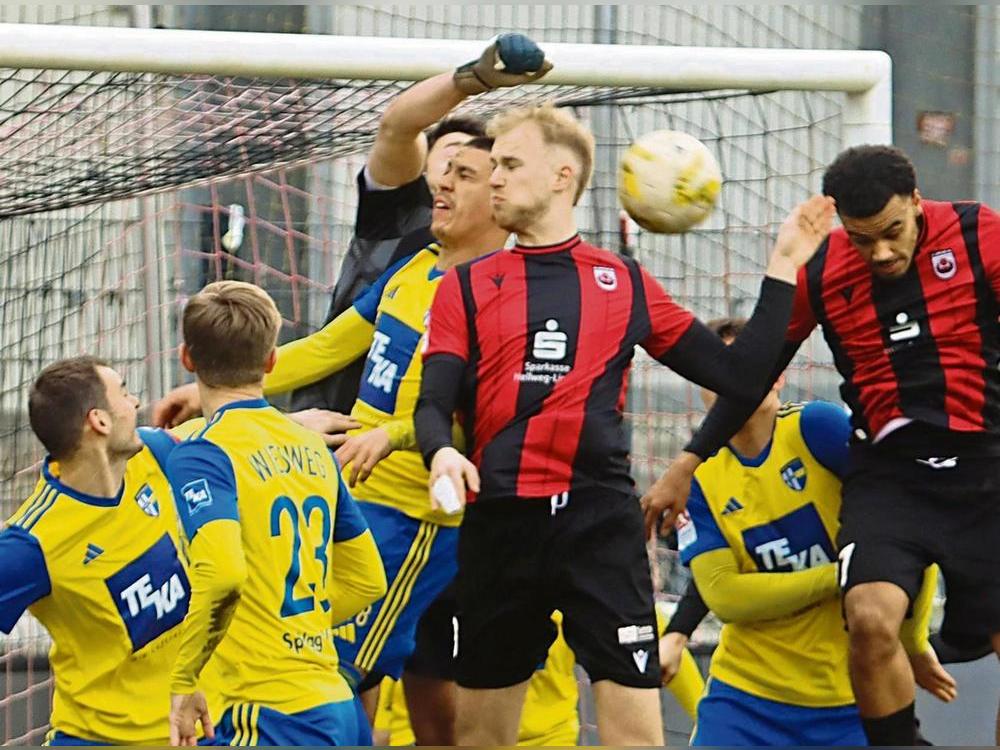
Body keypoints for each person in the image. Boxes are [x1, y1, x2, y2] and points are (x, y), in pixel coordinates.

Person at [414, 102, 835, 745]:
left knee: (637, 737)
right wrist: (441, 452)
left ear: (562, 176)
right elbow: (431, 404)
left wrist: (783, 267)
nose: (492, 178)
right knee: (481, 741)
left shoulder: (622, 281)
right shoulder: (464, 286)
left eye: (509, 164)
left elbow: (740, 377)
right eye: (492, 166)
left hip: (600, 525)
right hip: (501, 524)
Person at [644, 144, 1000, 746]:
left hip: (987, 466)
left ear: (916, 201)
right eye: (864, 239)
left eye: (893, 232)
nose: (881, 252)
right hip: (892, 476)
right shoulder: (824, 268)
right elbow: (750, 370)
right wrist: (689, 459)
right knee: (868, 616)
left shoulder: (978, 235)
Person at [677, 316, 953, 746]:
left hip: (853, 700)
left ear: (781, 374)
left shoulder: (817, 428)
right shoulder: (698, 476)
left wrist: (912, 641)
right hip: (746, 700)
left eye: (758, 364)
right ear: (704, 385)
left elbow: (909, 527)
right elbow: (724, 595)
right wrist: (844, 575)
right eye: (728, 367)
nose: (747, 378)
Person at [164, 281, 387, 746]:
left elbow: (222, 573)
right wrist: (292, 630)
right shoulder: (310, 444)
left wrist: (184, 681)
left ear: (187, 358)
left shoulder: (204, 454)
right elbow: (369, 579)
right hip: (335, 705)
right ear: (270, 361)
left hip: (266, 711)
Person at [0, 357, 190, 745]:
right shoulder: (33, 543)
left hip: (186, 729)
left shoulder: (153, 454)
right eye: (123, 391)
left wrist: (296, 426)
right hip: (97, 739)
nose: (136, 402)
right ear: (98, 421)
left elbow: (225, 440)